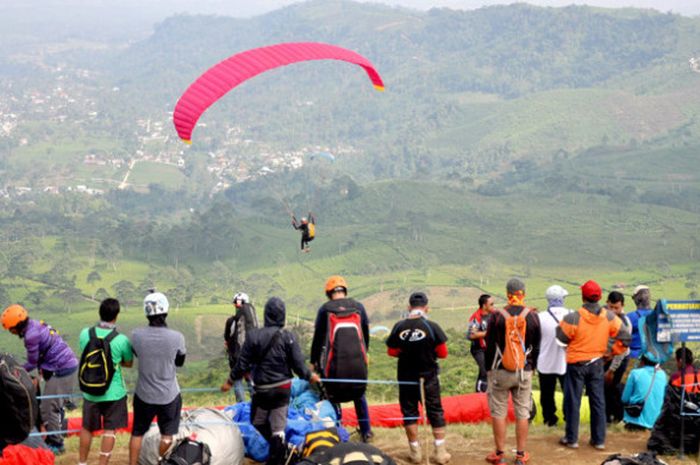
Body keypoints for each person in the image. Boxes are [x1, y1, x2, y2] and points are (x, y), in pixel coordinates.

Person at [223, 297, 320, 465]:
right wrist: (310, 376)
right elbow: (298, 365)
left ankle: (279, 454)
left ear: (266, 315)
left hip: (262, 390)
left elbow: (242, 363)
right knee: (278, 428)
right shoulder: (288, 337)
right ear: (282, 315)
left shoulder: (254, 336)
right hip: (283, 389)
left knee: (257, 421)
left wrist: (230, 381)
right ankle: (282, 447)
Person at [556, 280, 631, 451]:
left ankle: (572, 439)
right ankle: (598, 440)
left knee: (573, 400)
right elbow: (626, 338)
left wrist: (572, 346)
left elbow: (560, 339)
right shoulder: (610, 317)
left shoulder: (573, 317)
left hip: (576, 364)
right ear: (600, 298)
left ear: (583, 297)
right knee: (598, 401)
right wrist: (612, 352)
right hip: (597, 363)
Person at [1, 304, 78, 455]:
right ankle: (53, 437)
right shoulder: (35, 325)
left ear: (16, 326)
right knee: (53, 404)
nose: (11, 332)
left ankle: (57, 445)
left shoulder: (31, 336)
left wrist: (15, 373)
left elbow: (31, 362)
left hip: (61, 369)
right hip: (62, 365)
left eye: (10, 328)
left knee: (48, 407)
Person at [386, 292, 450, 464]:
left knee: (409, 413)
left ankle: (415, 453)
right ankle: (440, 452)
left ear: (409, 308)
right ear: (426, 308)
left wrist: (406, 351)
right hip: (428, 377)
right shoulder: (432, 326)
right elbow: (443, 353)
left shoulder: (399, 326)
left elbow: (391, 351)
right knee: (435, 411)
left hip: (406, 378)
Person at [484, 278, 541, 465]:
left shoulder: (497, 316)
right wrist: (532, 367)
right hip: (523, 370)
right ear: (523, 292)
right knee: (522, 413)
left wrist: (488, 370)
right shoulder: (532, 316)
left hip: (500, 370)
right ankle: (520, 455)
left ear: (507, 293)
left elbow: (490, 345)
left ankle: (499, 454)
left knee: (499, 412)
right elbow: (536, 346)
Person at [310, 276, 373, 442]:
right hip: (359, 364)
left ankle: (338, 433)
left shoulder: (325, 309)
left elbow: (318, 339)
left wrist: (313, 362)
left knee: (332, 397)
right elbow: (365, 334)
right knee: (359, 395)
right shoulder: (358, 307)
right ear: (344, 290)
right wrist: (363, 355)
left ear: (329, 293)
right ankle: (366, 432)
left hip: (335, 367)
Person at [128, 292, 186, 465]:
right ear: (166, 310)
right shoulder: (177, 337)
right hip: (169, 395)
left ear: (146, 312)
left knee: (137, 432)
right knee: (167, 435)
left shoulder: (136, 335)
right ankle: (161, 461)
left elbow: (137, 354)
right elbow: (180, 362)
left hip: (144, 394)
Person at [78, 298, 133, 465]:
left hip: (90, 391)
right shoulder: (121, 340)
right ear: (116, 316)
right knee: (109, 430)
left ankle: (82, 462)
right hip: (114, 392)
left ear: (99, 313)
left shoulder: (85, 334)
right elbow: (129, 363)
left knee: (87, 428)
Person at [536, 285, 571, 427]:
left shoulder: (540, 317)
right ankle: (569, 418)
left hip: (545, 361)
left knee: (546, 394)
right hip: (567, 361)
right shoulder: (571, 314)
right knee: (568, 393)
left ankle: (549, 420)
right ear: (562, 298)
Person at [222, 291, 258, 402]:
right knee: (251, 380)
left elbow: (227, 339)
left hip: (236, 358)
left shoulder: (231, 321)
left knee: (237, 381)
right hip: (252, 356)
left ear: (235, 305)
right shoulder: (254, 320)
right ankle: (255, 405)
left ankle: (241, 405)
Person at [603, 291, 631, 424]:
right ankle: (605, 418)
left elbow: (621, 350)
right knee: (602, 388)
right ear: (607, 303)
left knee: (613, 387)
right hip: (604, 357)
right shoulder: (601, 314)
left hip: (619, 359)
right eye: (611, 307)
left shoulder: (625, 323)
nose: (613, 311)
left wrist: (611, 370)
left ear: (622, 306)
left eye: (616, 308)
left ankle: (618, 418)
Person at [621, 355, 667, 430]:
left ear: (642, 361)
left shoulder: (635, 373)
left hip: (635, 420)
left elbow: (624, 398)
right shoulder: (663, 375)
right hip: (655, 422)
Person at [468, 294, 493, 393]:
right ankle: (479, 394)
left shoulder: (494, 314)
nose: (493, 306)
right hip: (478, 349)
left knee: (486, 371)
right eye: (491, 304)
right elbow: (472, 335)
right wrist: (488, 333)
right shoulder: (476, 317)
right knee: (485, 371)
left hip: (490, 348)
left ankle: (483, 391)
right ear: (484, 305)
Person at [627, 285, 652, 360]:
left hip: (634, 356)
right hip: (653, 356)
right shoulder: (657, 315)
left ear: (637, 299)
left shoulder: (630, 317)